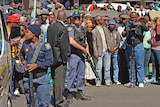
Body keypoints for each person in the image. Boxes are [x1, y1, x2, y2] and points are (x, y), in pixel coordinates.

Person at [20, 24, 53, 106]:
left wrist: (37, 65)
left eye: (27, 32)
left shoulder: (45, 46)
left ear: (34, 34)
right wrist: (23, 61)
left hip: (41, 78)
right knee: (30, 102)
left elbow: (50, 61)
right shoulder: (25, 44)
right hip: (28, 78)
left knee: (43, 102)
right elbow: (21, 54)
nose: (25, 34)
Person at [47, 10, 70, 107]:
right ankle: (59, 101)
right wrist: (65, 59)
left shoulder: (51, 27)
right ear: (64, 17)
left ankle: (57, 98)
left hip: (52, 57)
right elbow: (63, 46)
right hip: (59, 58)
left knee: (55, 79)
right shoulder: (62, 28)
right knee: (59, 80)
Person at [66, 13, 90, 103]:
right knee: (72, 74)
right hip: (74, 53)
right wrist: (83, 49)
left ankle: (80, 91)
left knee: (81, 73)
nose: (76, 19)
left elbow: (85, 41)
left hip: (81, 54)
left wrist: (87, 51)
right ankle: (69, 92)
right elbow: (71, 41)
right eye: (75, 18)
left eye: (78, 17)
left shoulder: (83, 28)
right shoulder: (70, 28)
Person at [92, 15, 111, 87]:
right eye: (100, 20)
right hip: (99, 51)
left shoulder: (105, 29)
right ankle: (98, 80)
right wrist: (96, 53)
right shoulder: (94, 31)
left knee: (107, 67)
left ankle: (107, 80)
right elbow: (94, 43)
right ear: (97, 21)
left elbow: (108, 38)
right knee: (98, 68)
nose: (102, 21)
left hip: (106, 50)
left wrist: (110, 48)